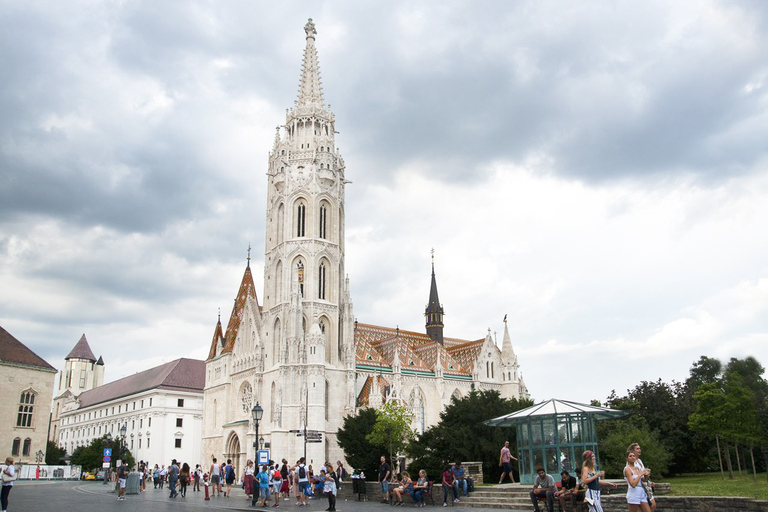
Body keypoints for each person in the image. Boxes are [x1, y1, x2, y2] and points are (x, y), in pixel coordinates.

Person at [630, 443, 656, 512]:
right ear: (633, 451)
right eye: (637, 449)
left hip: (644, 487)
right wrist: (642, 475)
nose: (639, 450)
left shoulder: (639, 461)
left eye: (639, 448)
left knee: (652, 506)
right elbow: (634, 478)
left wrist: (648, 481)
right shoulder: (631, 464)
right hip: (637, 489)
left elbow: (643, 476)